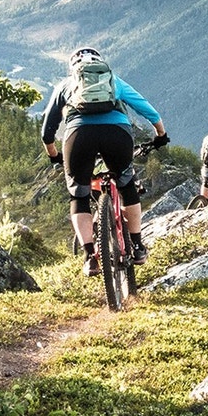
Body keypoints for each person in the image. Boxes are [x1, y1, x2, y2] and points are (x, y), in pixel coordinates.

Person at [40, 46, 169, 276]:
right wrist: (160, 135)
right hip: (117, 134)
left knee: (79, 194)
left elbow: (47, 130)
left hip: (79, 137)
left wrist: (54, 155)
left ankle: (90, 256)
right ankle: (137, 245)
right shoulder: (114, 81)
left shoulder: (66, 85)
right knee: (127, 184)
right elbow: (146, 109)